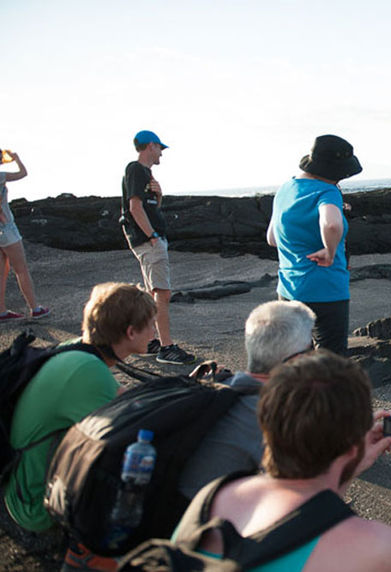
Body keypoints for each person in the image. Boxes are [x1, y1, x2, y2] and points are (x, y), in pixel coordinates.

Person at [185, 350, 391, 570]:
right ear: (351, 447)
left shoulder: (215, 495)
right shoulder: (371, 547)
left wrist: (349, 465)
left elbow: (307, 511)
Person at [1, 282, 156, 568]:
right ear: (130, 332)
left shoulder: (76, 351)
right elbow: (131, 431)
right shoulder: (88, 371)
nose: (155, 332)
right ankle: (89, 552)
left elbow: (124, 397)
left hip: (23, 483)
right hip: (36, 504)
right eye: (150, 325)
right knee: (142, 469)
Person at [177, 300, 316, 499]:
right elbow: (303, 495)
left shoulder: (221, 386)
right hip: (191, 523)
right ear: (297, 360)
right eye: (312, 348)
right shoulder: (271, 417)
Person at [266, 134, 362, 355]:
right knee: (330, 362)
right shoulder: (327, 191)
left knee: (297, 359)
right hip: (325, 290)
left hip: (289, 289)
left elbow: (272, 238)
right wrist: (329, 252)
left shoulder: (285, 189)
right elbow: (331, 225)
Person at [120, 130, 195, 365]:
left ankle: (152, 340)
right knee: (162, 293)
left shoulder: (144, 173)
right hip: (149, 241)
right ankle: (167, 346)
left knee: (155, 291)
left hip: (150, 239)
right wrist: (152, 236)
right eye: (159, 147)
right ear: (150, 146)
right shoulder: (135, 169)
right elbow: (134, 207)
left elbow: (149, 207)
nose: (161, 152)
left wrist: (159, 196)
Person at [0, 151, 50, 320]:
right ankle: (35, 308)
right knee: (21, 269)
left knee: (2, 271)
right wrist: (17, 159)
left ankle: (1, 311)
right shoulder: (0, 176)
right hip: (6, 228)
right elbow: (23, 173)